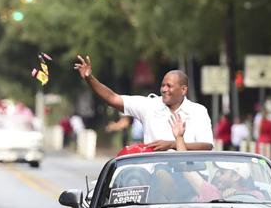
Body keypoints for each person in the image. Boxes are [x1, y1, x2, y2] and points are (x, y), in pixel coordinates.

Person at [73, 55, 213, 151]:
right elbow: (112, 98)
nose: (164, 89)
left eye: (169, 86)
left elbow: (207, 146)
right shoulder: (149, 106)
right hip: (154, 179)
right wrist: (89, 78)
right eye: (162, 85)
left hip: (192, 178)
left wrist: (172, 144)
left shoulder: (198, 111)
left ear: (183, 90)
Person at [171, 113, 265, 202]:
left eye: (222, 172)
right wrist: (179, 138)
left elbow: (187, 170)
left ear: (236, 176)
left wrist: (237, 194)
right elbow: (187, 170)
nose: (217, 175)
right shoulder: (213, 192)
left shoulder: (256, 195)